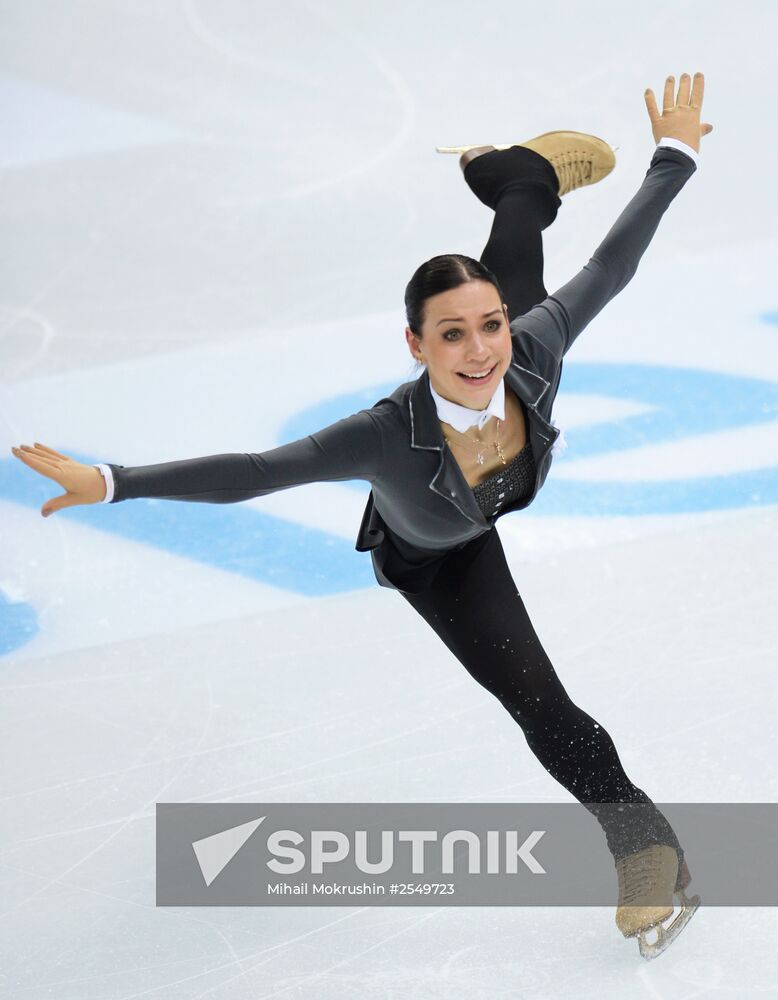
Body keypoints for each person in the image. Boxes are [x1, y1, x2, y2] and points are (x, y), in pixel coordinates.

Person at [11, 72, 712, 959]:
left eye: (486, 327)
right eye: (450, 334)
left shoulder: (526, 348)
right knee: (536, 699)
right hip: (444, 555)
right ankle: (644, 846)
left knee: (521, 263)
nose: (477, 349)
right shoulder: (384, 434)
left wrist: (675, 154)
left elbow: (613, 263)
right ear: (413, 344)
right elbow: (257, 471)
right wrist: (112, 481)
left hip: (503, 403)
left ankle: (520, 175)